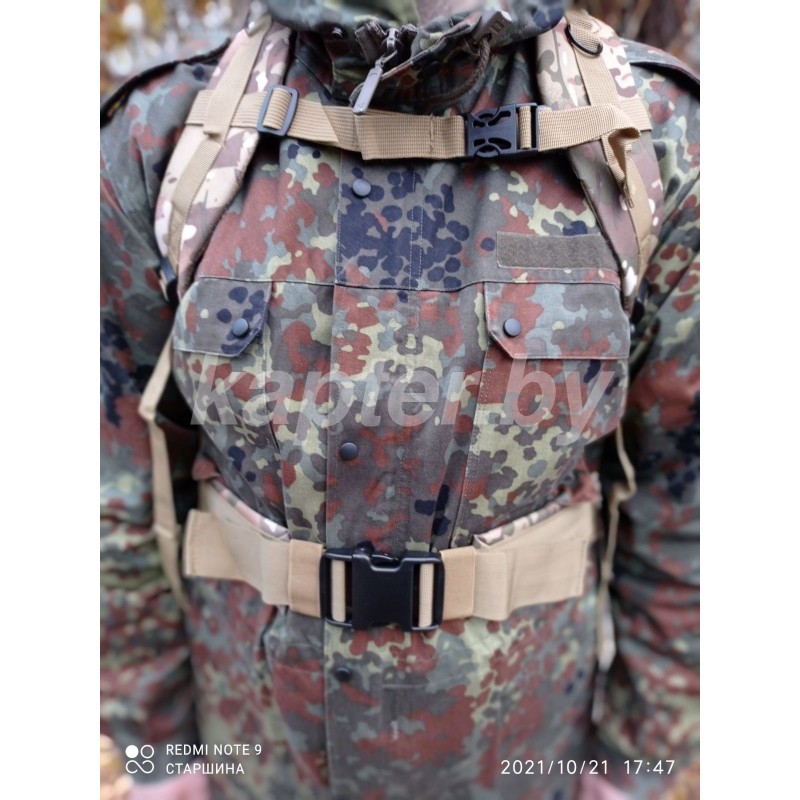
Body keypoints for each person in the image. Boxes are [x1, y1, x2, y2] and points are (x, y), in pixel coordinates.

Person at [100, 2, 699, 798]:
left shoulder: (651, 139)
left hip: (522, 753)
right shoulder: (168, 134)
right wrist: (156, 753)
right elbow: (111, 477)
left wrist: (634, 764)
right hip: (259, 749)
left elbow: (689, 494)